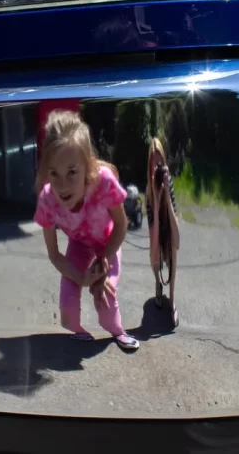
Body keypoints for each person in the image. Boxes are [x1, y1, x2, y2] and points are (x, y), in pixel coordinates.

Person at [34, 110, 140, 351]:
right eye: (54, 174)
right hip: (79, 244)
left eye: (72, 172)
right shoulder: (48, 199)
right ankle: (78, 331)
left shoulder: (102, 182)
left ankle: (117, 332)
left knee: (105, 295)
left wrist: (104, 260)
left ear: (87, 167)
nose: (62, 185)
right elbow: (54, 254)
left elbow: (121, 225)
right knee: (67, 302)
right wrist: (80, 278)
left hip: (107, 241)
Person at [146, 138, 180, 327]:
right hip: (158, 237)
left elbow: (178, 239)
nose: (157, 169)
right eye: (153, 165)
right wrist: (157, 202)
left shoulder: (170, 185)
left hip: (169, 234)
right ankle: (158, 283)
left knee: (173, 249)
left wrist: (166, 194)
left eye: (159, 164)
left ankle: (172, 299)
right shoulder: (148, 194)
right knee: (154, 256)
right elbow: (153, 243)